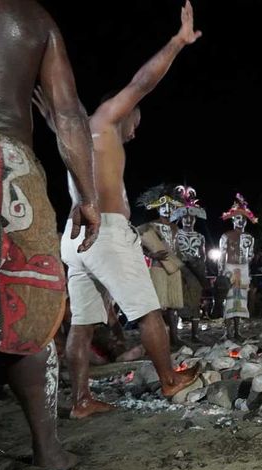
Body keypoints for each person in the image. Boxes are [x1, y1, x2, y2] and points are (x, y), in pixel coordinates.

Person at [39, 0, 201, 419]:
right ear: (124, 113)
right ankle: (169, 380)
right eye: (136, 121)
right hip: (105, 229)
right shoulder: (107, 118)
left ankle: (80, 401)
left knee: (82, 323)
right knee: (147, 310)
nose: (135, 130)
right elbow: (143, 81)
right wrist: (177, 42)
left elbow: (60, 123)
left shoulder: (70, 131)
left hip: (74, 237)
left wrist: (51, 119)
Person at [0, 0, 101, 470]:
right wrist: (88, 197)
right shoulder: (31, 19)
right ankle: (47, 447)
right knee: (30, 312)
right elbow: (68, 116)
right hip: (9, 168)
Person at [137, 184, 185, 346]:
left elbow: (177, 248)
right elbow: (138, 245)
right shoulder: (149, 226)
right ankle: (159, 337)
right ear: (157, 209)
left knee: (173, 306)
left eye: (170, 207)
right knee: (159, 306)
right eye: (163, 207)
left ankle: (174, 336)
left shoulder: (175, 228)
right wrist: (152, 254)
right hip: (157, 267)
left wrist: (179, 263)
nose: (167, 210)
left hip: (173, 268)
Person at [218, 194, 257, 337]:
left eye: (243, 219)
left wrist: (247, 268)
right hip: (229, 268)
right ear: (233, 220)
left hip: (243, 269)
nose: (240, 221)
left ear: (246, 222)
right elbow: (222, 255)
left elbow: (251, 255)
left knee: (241, 301)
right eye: (238, 218)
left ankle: (237, 330)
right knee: (228, 300)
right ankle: (227, 331)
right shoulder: (226, 236)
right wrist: (221, 272)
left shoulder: (249, 238)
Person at [171, 185, 208, 339]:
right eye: (185, 217)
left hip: (195, 271)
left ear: (194, 218)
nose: (187, 220)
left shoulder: (200, 237)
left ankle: (194, 334)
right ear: (181, 219)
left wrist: (197, 263)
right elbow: (172, 253)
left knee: (195, 301)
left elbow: (203, 256)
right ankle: (175, 335)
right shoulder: (176, 235)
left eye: (190, 217)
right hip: (179, 270)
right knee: (177, 301)